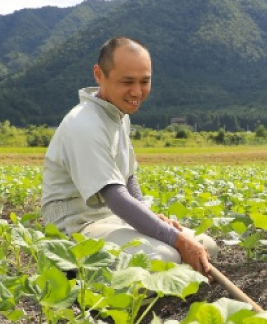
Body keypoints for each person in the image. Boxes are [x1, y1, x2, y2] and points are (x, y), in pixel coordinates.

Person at [41, 37, 213, 276]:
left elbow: (128, 177)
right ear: (99, 75)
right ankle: (76, 276)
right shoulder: (84, 124)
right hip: (76, 229)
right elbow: (115, 195)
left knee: (205, 246)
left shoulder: (118, 115)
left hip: (111, 220)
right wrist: (175, 239)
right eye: (127, 82)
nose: (137, 91)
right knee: (166, 257)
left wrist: (152, 218)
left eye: (145, 81)